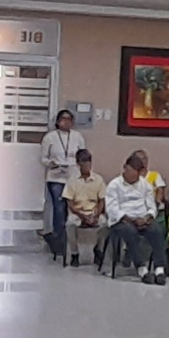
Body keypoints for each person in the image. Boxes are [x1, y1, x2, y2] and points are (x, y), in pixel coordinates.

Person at [102, 150, 165, 281]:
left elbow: (151, 206)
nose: (135, 175)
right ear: (125, 168)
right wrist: (128, 219)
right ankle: (142, 269)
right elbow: (112, 209)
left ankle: (159, 269)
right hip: (122, 221)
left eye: (138, 172)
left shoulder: (145, 184)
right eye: (132, 171)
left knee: (157, 230)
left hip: (142, 219)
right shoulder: (114, 185)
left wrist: (147, 218)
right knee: (130, 232)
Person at [39, 107, 88, 260]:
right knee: (59, 210)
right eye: (63, 119)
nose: (66, 122)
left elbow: (83, 156)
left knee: (72, 209)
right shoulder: (50, 137)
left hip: (73, 177)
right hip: (56, 177)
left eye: (69, 119)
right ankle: (59, 244)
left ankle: (71, 245)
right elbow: (43, 158)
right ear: (58, 121)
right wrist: (51, 163)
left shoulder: (77, 137)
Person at [60, 147, 110, 268]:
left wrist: (96, 215)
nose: (86, 165)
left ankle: (98, 250)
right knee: (70, 224)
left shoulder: (98, 179)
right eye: (83, 161)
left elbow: (102, 200)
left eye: (88, 161)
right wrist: (82, 216)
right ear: (78, 163)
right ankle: (74, 253)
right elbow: (70, 203)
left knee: (105, 224)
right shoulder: (72, 181)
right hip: (78, 213)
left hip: (93, 212)